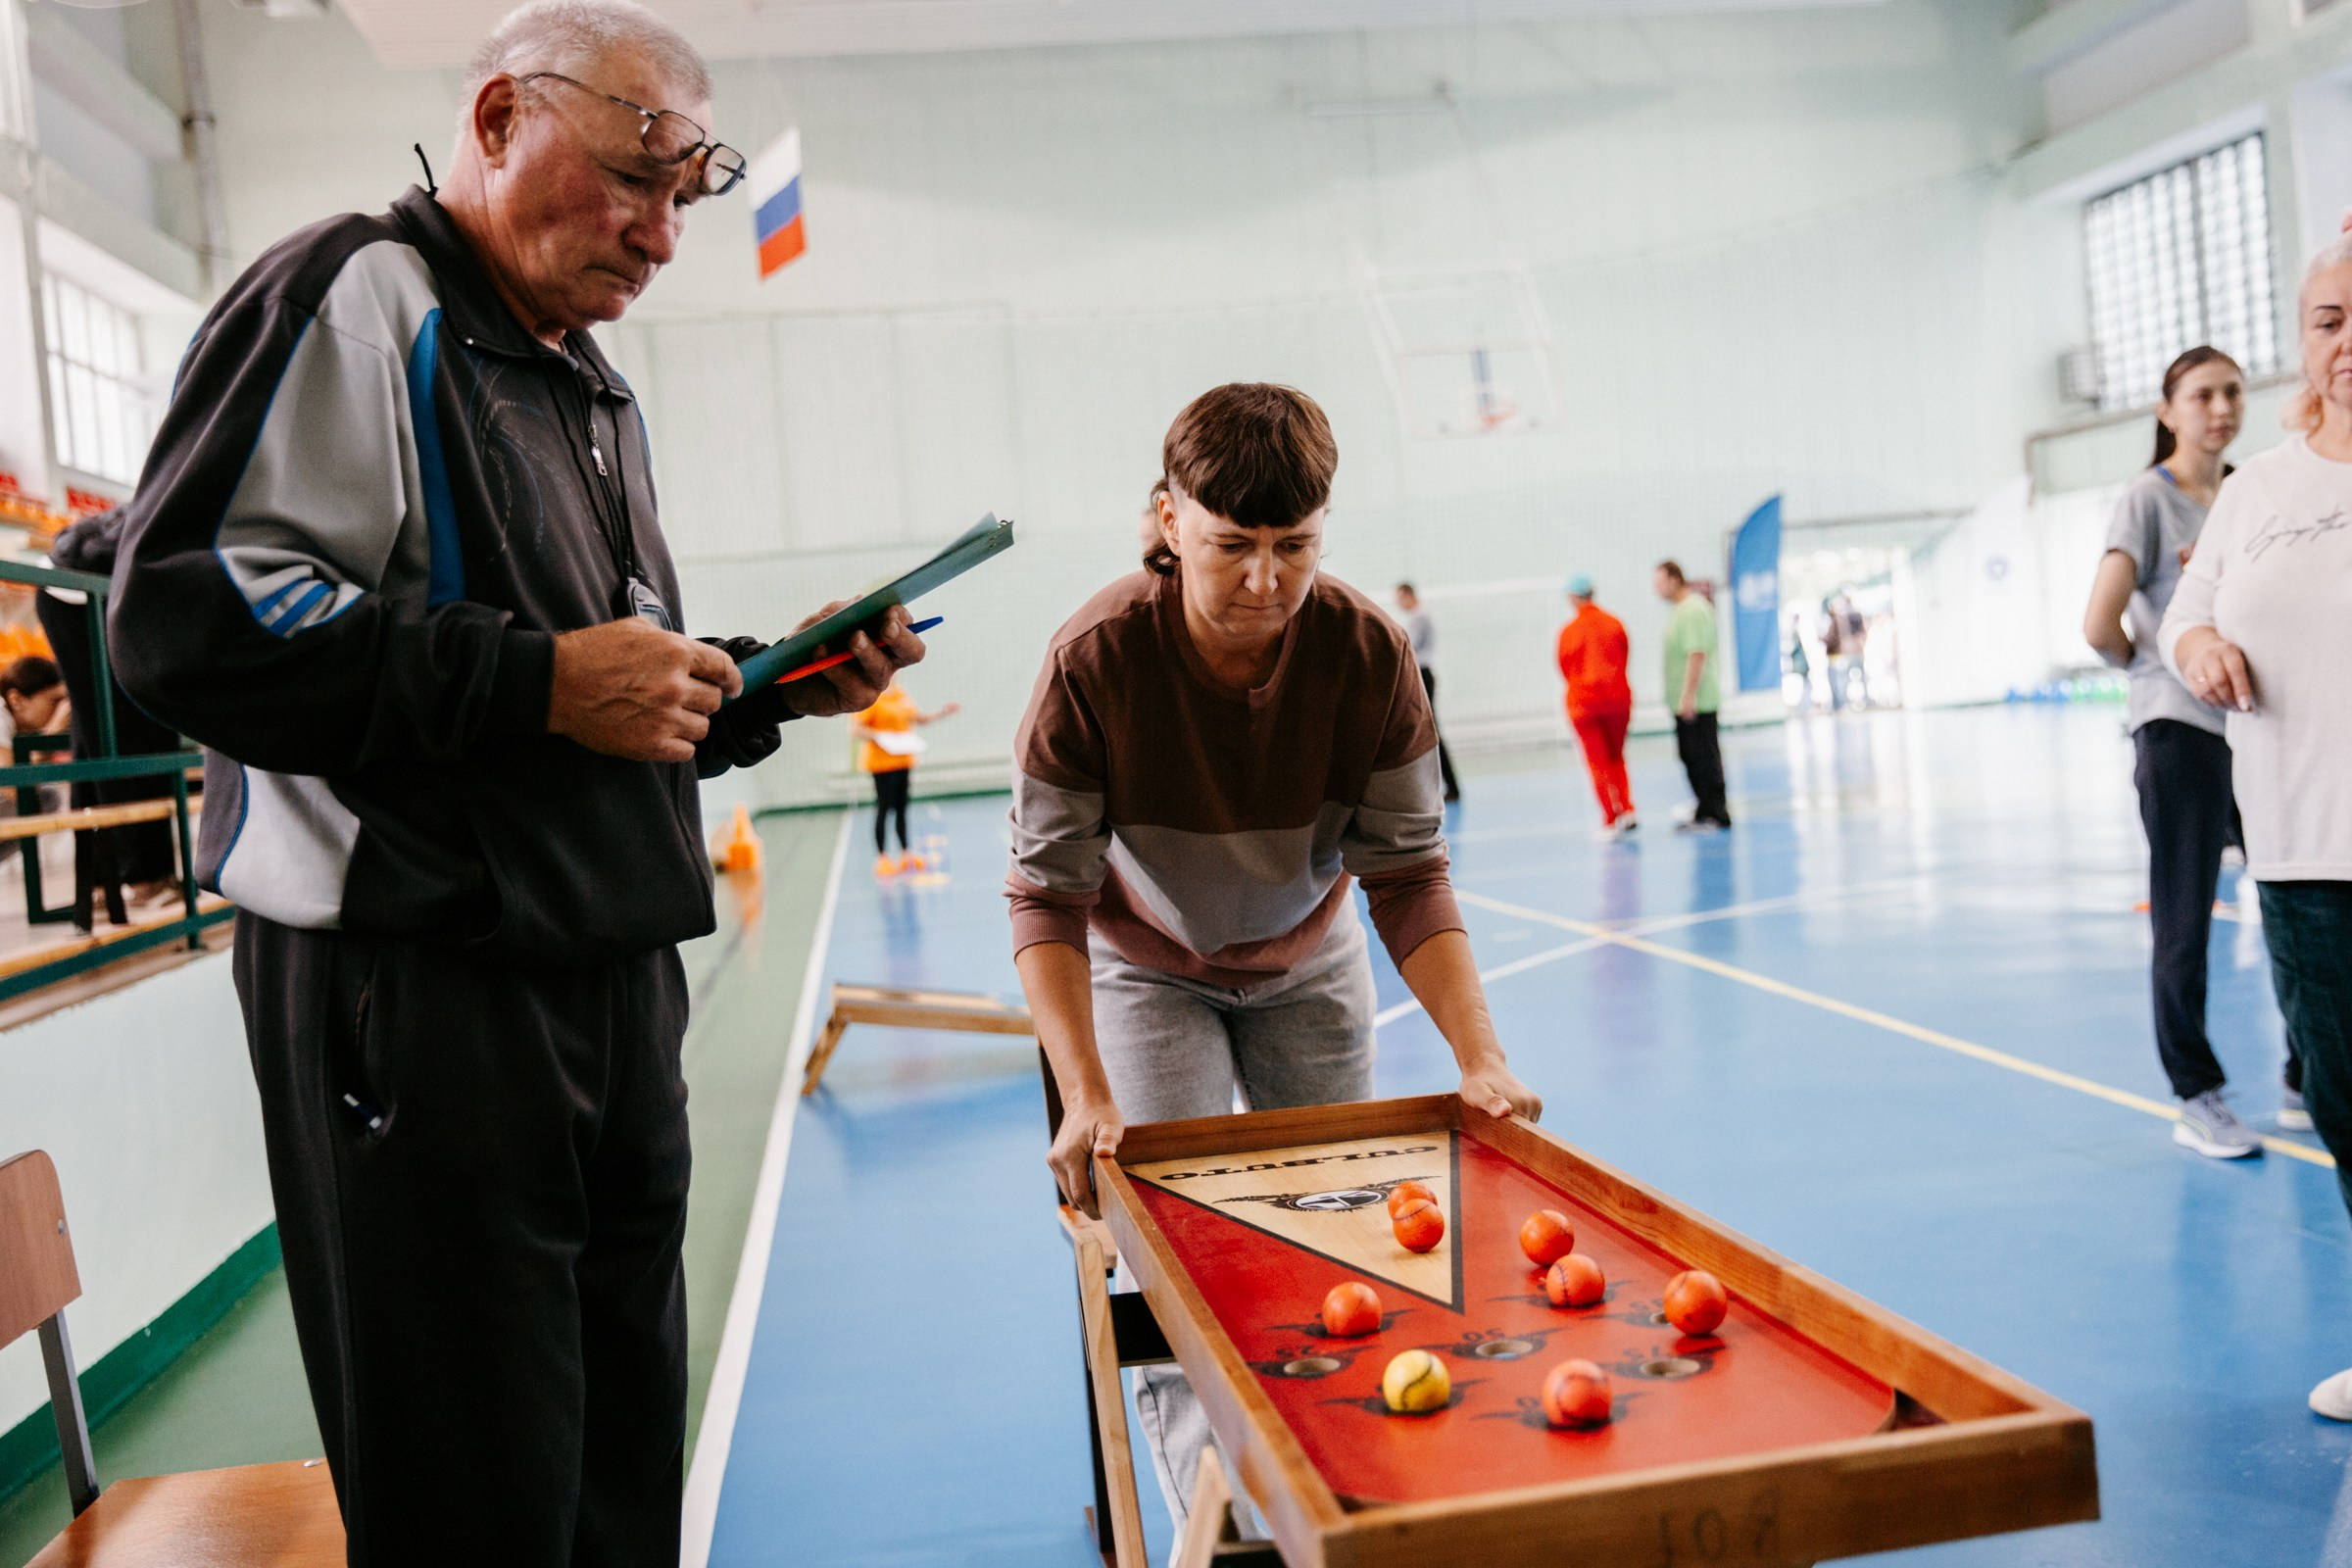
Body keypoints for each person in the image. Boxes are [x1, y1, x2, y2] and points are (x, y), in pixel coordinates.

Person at [106, 4, 926, 1558]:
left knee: (619, 1474)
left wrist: (760, 686)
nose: (663, 233)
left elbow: (593, 692)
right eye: (636, 177)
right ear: (497, 122)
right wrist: (545, 681)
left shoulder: (583, 383)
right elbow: (190, 610)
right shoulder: (359, 294)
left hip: (611, 983)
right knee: (475, 1497)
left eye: (685, 195)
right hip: (421, 993)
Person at [1007, 383, 1542, 1538]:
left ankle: (1332, 1498)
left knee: (1325, 1237)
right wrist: (1086, 1091)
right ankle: (1234, 1530)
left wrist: (1481, 1056)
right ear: (1166, 520)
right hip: (1149, 971)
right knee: (1176, 1263)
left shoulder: (1369, 656)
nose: (1265, 581)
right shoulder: (1091, 663)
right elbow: (1046, 897)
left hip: (1310, 961)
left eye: (1293, 547)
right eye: (1230, 545)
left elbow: (1408, 874)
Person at [2162, 233, 2352, 1419]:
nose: (2351, 339)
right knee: (2344, 1100)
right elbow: (2184, 616)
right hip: (2300, 854)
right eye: (2331, 317)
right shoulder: (2263, 485)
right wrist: (2204, 646)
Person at [2082, 345, 2271, 1157]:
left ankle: (2311, 1077)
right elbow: (2100, 623)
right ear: (2168, 410)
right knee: (2185, 917)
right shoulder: (2146, 501)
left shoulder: (2246, 494)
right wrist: (2156, 672)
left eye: (2232, 392)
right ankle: (2197, 1093)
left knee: (2301, 902)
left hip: (2259, 728)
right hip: (2179, 732)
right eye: (2202, 395)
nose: (2220, 408)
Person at [851, 678, 959, 876]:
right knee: (884, 807)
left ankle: (906, 854)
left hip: (903, 759)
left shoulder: (901, 694)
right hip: (882, 762)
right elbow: (856, 729)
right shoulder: (872, 697)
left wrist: (943, 713)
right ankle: (882, 857)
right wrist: (883, 737)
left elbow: (919, 719)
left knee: (902, 807)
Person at [1555, 575, 1636, 837]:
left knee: (1597, 762)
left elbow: (1564, 667)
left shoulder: (1569, 632)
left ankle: (1610, 818)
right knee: (1616, 756)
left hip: (1584, 705)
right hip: (1617, 701)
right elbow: (1624, 656)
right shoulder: (1614, 623)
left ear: (1574, 597)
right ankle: (1627, 808)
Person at [1653, 561, 1730, 832]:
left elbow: (1697, 653)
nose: (1656, 589)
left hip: (1697, 701)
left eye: (1659, 582)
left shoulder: (1694, 609)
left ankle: (1716, 813)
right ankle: (1703, 809)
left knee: (1704, 757)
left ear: (1674, 579)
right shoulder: (1680, 611)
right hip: (1683, 700)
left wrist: (1688, 696)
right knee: (1690, 756)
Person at [1393, 582, 1461, 803]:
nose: (1397, 602)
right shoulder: (1419, 616)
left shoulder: (1419, 617)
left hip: (1422, 675)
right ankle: (1439, 785)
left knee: (1429, 731)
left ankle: (1448, 785)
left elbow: (1406, 646)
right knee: (1425, 731)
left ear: (1408, 595)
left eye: (1399, 597)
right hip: (1421, 674)